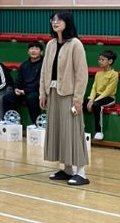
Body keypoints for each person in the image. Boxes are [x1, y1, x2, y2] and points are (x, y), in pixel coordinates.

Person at [40, 11, 90, 186]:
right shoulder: (51, 44)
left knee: (73, 132)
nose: (55, 22)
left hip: (69, 95)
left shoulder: (76, 44)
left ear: (67, 22)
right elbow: (44, 71)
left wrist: (78, 99)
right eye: (53, 19)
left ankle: (81, 172)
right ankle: (67, 169)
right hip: (53, 93)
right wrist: (43, 93)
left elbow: (82, 74)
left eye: (59, 20)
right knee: (59, 131)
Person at [2, 41, 44, 126]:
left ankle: (36, 124)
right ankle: (12, 122)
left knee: (31, 98)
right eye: (31, 48)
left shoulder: (44, 65)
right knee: (7, 98)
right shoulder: (24, 65)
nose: (33, 51)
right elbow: (18, 80)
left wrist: (25, 91)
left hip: (37, 91)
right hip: (22, 91)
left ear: (41, 52)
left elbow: (40, 82)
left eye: (36, 49)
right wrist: (16, 89)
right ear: (28, 51)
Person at [83, 50, 118, 141]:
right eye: (99, 59)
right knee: (82, 102)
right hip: (97, 97)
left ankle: (99, 131)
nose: (100, 61)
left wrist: (94, 101)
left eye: (102, 60)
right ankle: (81, 127)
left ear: (110, 61)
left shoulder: (114, 74)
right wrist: (91, 99)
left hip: (109, 98)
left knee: (96, 105)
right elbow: (94, 88)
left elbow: (108, 91)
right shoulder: (98, 74)